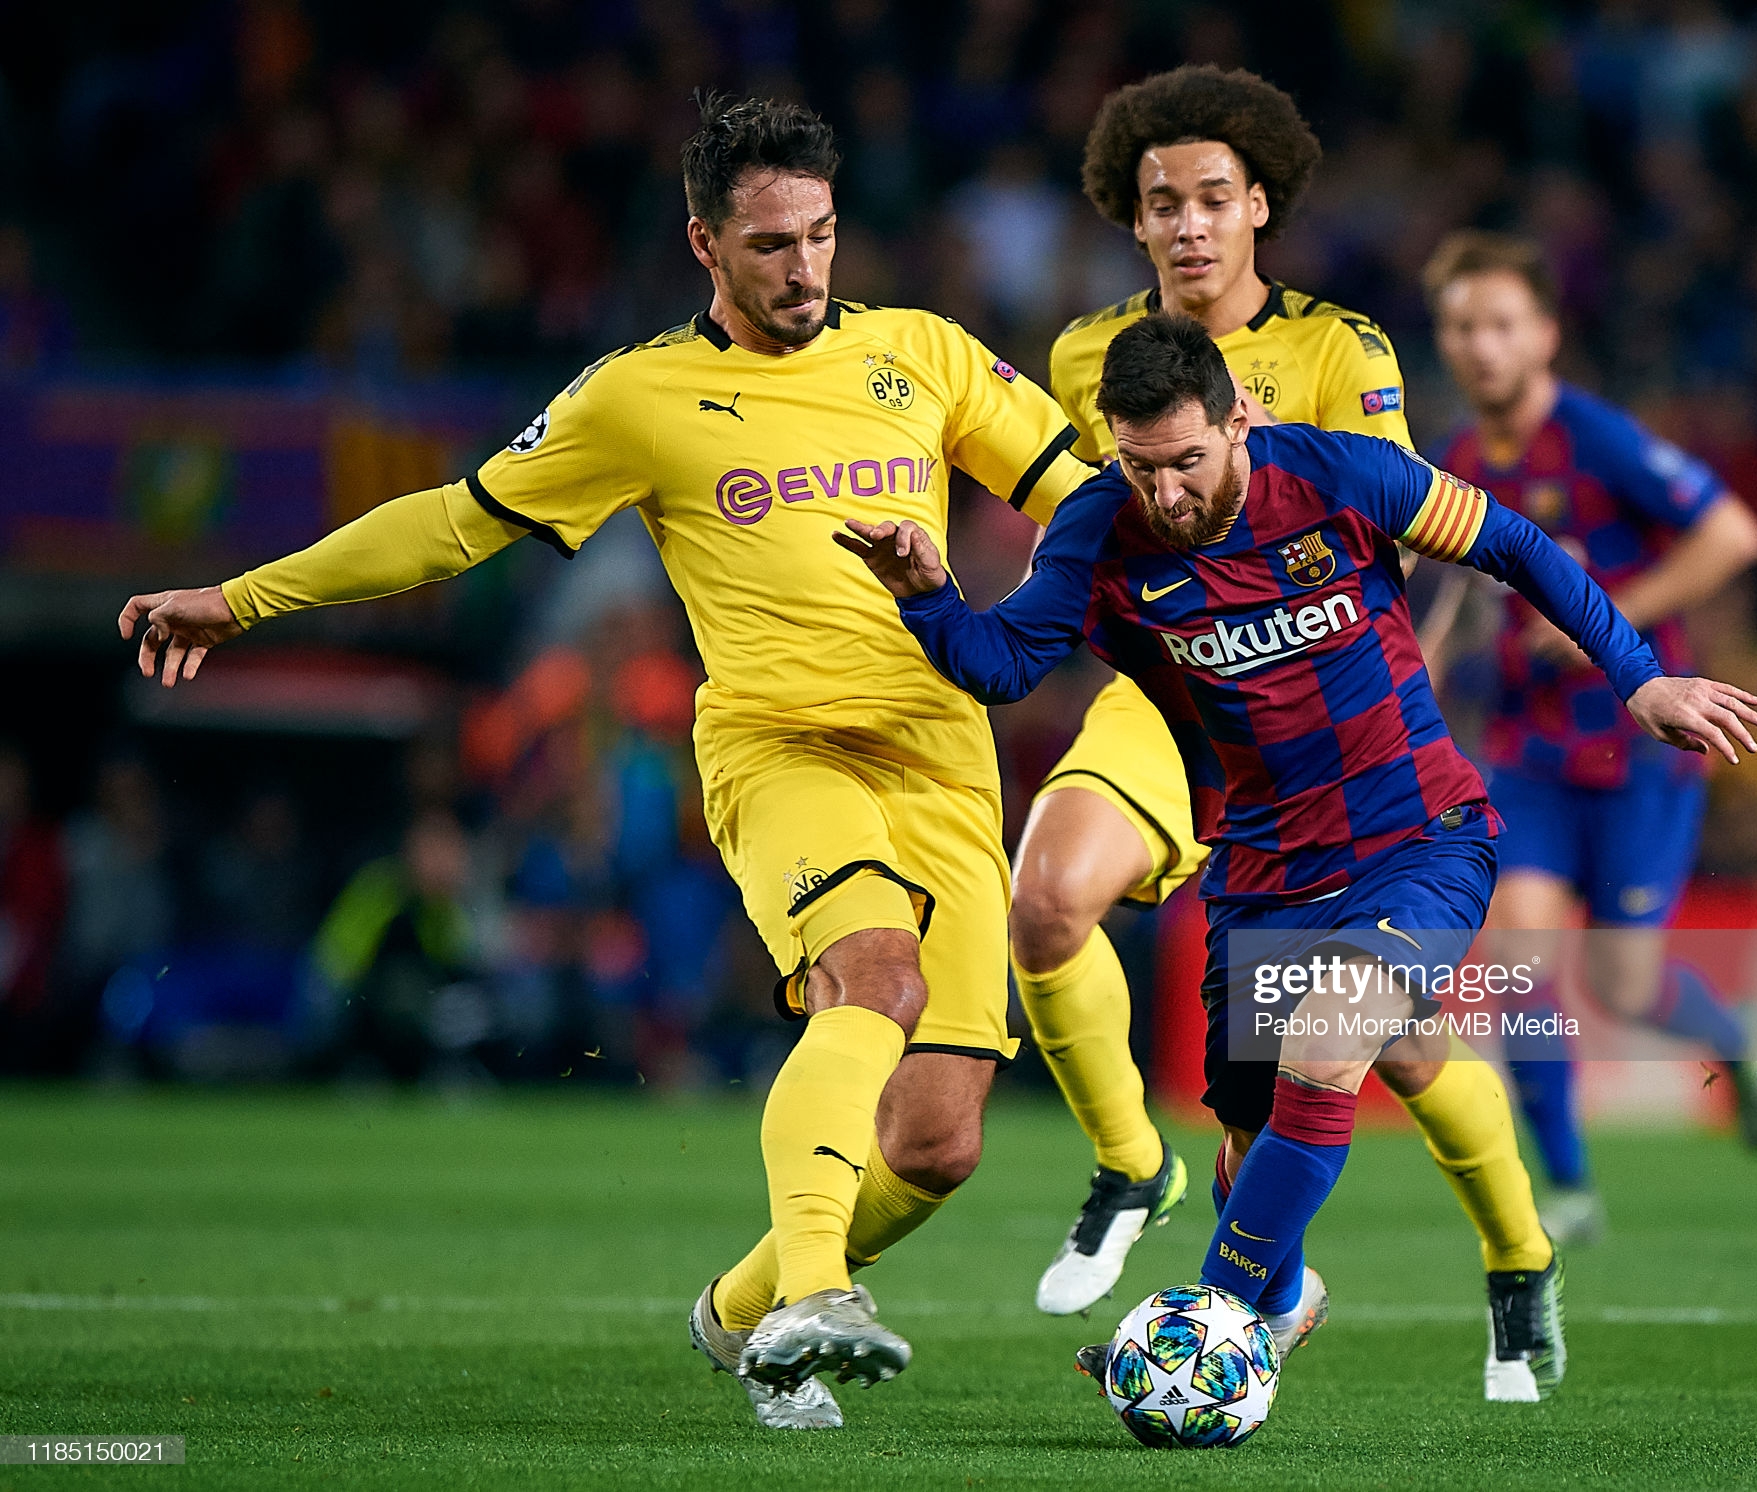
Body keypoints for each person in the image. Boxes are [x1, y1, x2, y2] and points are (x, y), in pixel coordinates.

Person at [113, 94, 1098, 1431]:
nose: (803, 269)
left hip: (946, 757)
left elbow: (1087, 499)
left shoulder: (921, 353)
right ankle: (816, 1293)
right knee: (874, 972)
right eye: (768, 245)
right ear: (704, 242)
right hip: (781, 749)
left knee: (936, 1144)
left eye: (819, 236)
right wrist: (238, 600)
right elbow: (453, 526)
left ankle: (741, 1314)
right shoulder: (638, 397)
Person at [841, 312, 1757, 1401]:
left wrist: (1639, 678)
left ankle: (1206, 1329)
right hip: (1258, 864)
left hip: (1417, 836)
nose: (1168, 493)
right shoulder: (1099, 529)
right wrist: (926, 594)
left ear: (1241, 419)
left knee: (1325, 1047)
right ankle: (1293, 1296)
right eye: (1141, 467)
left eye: (1187, 460)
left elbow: (1513, 546)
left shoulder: (1338, 473)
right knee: (1248, 1131)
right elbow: (1001, 664)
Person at [1016, 66, 1559, 1345]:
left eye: (1213, 198)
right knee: (1042, 899)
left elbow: (1405, 524)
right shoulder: (1086, 354)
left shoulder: (1339, 347)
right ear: (1132, 219)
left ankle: (1513, 1249)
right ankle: (1128, 1171)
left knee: (1389, 1048)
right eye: (1163, 204)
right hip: (1167, 702)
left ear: (1258, 205)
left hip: (1318, 721)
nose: (1189, 225)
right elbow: (1088, 533)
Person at [1423, 232, 1757, 1246]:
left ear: (1543, 333)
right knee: (1519, 961)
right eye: (1459, 327)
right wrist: (1422, 660)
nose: (1479, 346)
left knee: (1624, 982)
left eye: (1498, 324)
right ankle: (1570, 1185)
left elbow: (1732, 534)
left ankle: (1731, 1038)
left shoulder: (1597, 437)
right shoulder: (1454, 458)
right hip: (1527, 754)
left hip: (1637, 754)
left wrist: (1604, 616)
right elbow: (1447, 584)